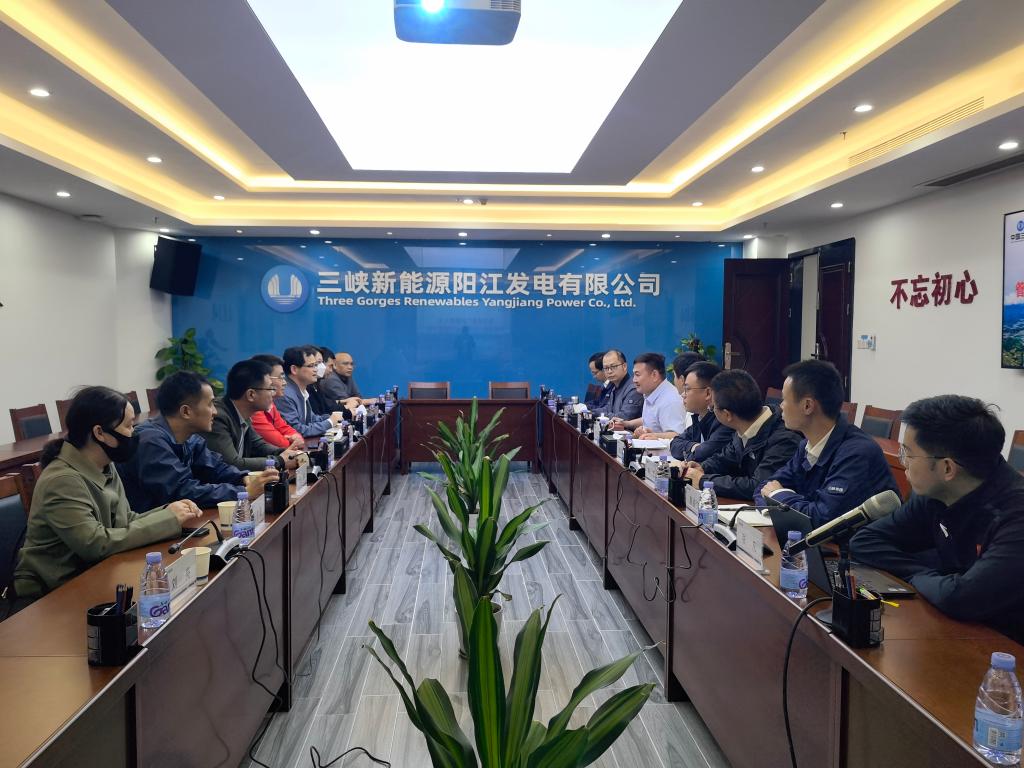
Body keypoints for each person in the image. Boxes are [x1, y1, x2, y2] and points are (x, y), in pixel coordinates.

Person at [10, 387, 203, 609]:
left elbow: (125, 520)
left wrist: (170, 512)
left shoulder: (104, 464)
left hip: (93, 577)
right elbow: (95, 544)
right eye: (129, 426)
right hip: (49, 596)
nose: (134, 432)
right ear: (100, 433)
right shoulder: (62, 480)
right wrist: (167, 520)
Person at [851, 396, 1024, 643]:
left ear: (947, 468)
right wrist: (932, 578)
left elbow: (963, 598)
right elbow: (865, 542)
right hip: (961, 627)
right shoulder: (937, 493)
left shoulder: (1016, 515)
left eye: (908, 454)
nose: (903, 463)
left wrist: (940, 584)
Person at [759, 359, 896, 527]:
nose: (780, 406)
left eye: (784, 399)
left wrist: (779, 496)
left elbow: (824, 519)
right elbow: (764, 487)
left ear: (807, 406)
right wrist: (779, 497)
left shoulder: (857, 453)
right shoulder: (807, 445)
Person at [118, 372, 278, 511]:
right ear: (186, 411)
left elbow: (216, 468)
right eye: (210, 404)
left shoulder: (190, 437)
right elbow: (181, 491)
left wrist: (243, 478)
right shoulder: (150, 441)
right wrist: (243, 492)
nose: (215, 412)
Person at [682, 370, 801, 500]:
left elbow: (758, 486)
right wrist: (702, 468)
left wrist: (703, 480)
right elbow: (725, 458)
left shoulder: (784, 440)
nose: (712, 411)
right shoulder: (743, 427)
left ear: (727, 415)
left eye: (712, 408)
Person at [203, 359, 301, 472]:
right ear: (251, 394)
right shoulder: (218, 417)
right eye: (270, 388)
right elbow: (231, 463)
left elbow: (258, 445)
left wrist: (287, 453)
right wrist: (279, 460)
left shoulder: (243, 413)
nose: (273, 393)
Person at [669, 361, 733, 462]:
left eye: (687, 389)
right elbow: (675, 444)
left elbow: (703, 455)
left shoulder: (724, 421)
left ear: (708, 393)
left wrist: (695, 451)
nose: (683, 395)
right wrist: (694, 447)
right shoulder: (700, 418)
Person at [276, 346, 346, 436]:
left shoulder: (302, 389)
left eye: (316, 365)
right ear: (294, 369)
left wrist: (332, 418)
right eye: (311, 366)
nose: (316, 370)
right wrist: (330, 422)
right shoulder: (285, 394)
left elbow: (311, 419)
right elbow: (296, 430)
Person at [616, 352, 686, 438]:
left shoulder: (670, 401)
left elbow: (676, 435)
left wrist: (651, 436)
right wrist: (627, 423)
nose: (634, 380)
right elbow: (651, 419)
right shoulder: (651, 392)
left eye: (637, 375)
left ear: (654, 375)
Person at [249, 354, 306, 449]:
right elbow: (280, 443)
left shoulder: (270, 403)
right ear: (266, 379)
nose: (285, 383)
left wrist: (297, 439)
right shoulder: (254, 409)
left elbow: (285, 428)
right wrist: (293, 442)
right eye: (280, 377)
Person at [601, 349, 643, 422]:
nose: (609, 371)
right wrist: (589, 411)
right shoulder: (614, 387)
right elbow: (607, 409)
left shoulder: (633, 388)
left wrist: (602, 415)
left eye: (613, 366)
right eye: (606, 368)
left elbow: (624, 417)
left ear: (624, 366)